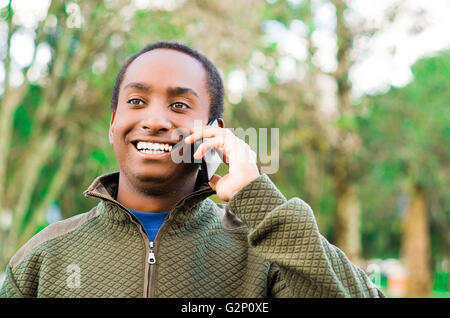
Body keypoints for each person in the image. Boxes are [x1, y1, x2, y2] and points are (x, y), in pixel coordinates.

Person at [0, 41, 384, 298]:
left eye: (180, 106)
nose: (155, 120)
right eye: (137, 101)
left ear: (215, 132)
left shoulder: (264, 254)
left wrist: (260, 201)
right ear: (113, 122)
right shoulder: (44, 256)